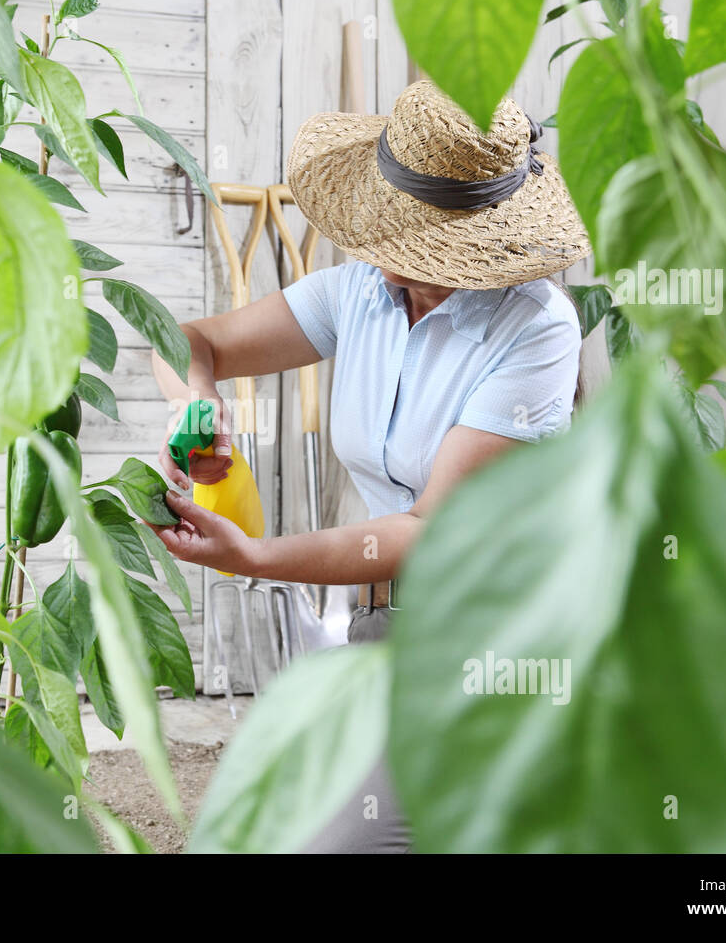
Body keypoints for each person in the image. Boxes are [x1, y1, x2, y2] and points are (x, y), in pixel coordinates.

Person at [149, 81, 592, 852]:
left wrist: (255, 556)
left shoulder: (534, 329)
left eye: (421, 256)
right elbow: (188, 341)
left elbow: (426, 531)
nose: (389, 271)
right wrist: (199, 406)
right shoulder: (362, 294)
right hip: (381, 625)